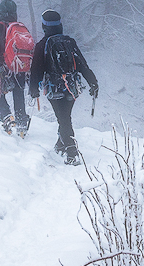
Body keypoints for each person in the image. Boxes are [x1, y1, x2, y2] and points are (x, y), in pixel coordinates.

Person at [29, 9, 98, 165]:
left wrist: (33, 89)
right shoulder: (69, 41)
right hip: (72, 88)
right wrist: (93, 82)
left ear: (44, 26)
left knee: (64, 119)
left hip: (54, 88)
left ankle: (72, 153)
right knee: (65, 117)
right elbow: (82, 64)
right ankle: (60, 146)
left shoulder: (42, 45)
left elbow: (36, 70)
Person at [0, 0, 33, 136]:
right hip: (19, 68)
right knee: (18, 94)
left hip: (2, 70)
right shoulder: (21, 28)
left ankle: (7, 118)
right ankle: (21, 123)